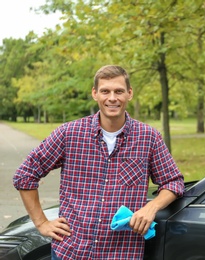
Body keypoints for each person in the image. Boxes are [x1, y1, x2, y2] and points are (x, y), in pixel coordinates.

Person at [13, 65, 185, 259]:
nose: (112, 98)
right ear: (95, 94)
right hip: (72, 252)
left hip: (123, 253)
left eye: (119, 91)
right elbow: (25, 175)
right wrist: (42, 223)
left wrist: (150, 207)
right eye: (105, 91)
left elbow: (173, 182)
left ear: (129, 93)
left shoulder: (148, 137)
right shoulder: (69, 134)